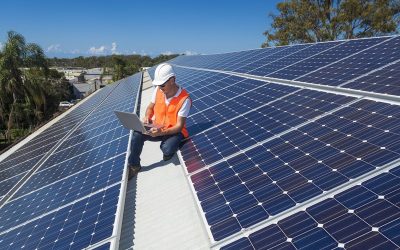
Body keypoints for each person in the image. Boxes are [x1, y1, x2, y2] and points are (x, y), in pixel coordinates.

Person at [127, 63, 191, 180]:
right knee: (137, 134)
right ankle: (134, 165)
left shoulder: (184, 99)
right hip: (157, 127)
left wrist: (161, 133)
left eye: (162, 85)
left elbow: (179, 126)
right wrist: (147, 116)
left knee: (166, 149)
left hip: (174, 132)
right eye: (158, 85)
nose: (160, 88)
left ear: (172, 80)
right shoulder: (158, 90)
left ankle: (174, 145)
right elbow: (150, 107)